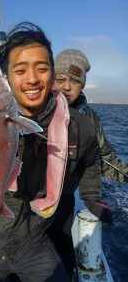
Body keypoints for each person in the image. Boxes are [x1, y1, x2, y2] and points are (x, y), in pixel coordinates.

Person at [0, 22, 103, 282]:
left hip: (34, 241)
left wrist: (92, 198)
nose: (33, 78)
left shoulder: (79, 126)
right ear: (8, 76)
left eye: (42, 68)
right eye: (20, 70)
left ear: (51, 73)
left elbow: (91, 160)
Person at [48, 48, 127, 279]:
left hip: (63, 202)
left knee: (63, 259)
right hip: (27, 201)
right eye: (60, 79)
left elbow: (105, 161)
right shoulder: (35, 108)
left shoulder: (90, 120)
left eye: (74, 81)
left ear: (82, 85)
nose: (66, 86)